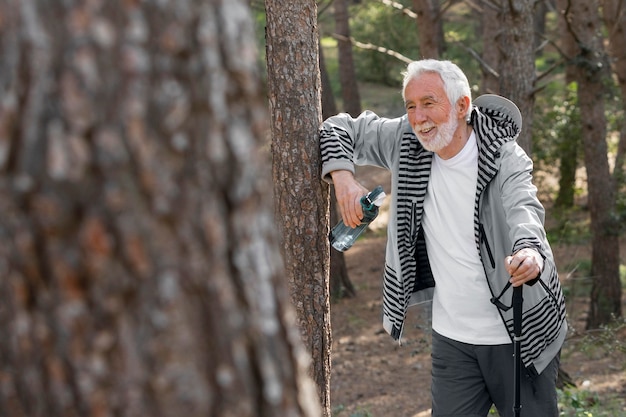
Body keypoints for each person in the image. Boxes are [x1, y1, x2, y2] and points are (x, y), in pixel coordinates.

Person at [320, 59, 567, 417]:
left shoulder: (503, 155)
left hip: (519, 333)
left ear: (463, 106)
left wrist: (528, 250)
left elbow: (524, 208)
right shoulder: (405, 140)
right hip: (453, 340)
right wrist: (343, 178)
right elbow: (336, 128)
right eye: (410, 105)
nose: (418, 117)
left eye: (429, 103)